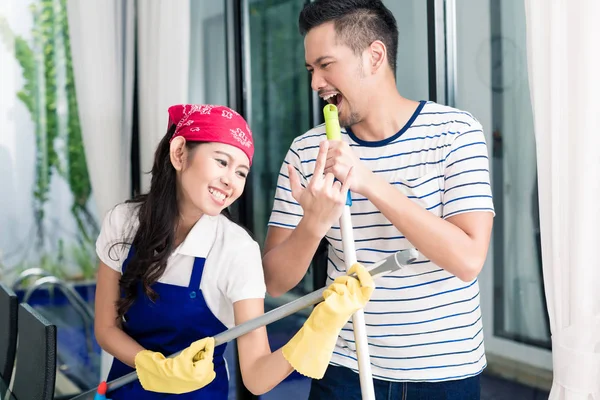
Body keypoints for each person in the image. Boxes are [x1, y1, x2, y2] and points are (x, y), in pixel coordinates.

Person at [263, 1, 495, 399]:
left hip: (445, 374)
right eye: (310, 70)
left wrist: (369, 182)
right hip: (343, 370)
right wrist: (315, 222)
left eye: (326, 65)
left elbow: (467, 259)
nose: (315, 83)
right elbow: (275, 280)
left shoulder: (456, 133)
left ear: (374, 56)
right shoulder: (307, 151)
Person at [94, 103, 374, 399]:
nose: (231, 181)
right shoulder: (124, 222)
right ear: (179, 153)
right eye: (221, 162)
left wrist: (317, 330)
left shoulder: (236, 250)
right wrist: (149, 364)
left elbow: (256, 377)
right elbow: (106, 328)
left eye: (241, 172)